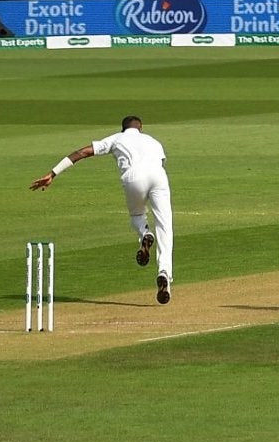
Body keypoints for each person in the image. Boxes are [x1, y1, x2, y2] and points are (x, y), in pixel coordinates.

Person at [30, 115, 176, 304]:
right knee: (165, 226)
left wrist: (53, 173)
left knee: (138, 215)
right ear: (141, 128)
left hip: (133, 177)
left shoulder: (117, 138)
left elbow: (82, 153)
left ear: (123, 128)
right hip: (158, 176)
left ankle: (145, 233)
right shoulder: (153, 141)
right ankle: (164, 272)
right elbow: (161, 163)